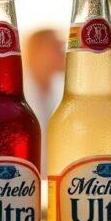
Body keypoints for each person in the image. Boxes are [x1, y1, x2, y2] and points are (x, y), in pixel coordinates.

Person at [22, 29, 65, 172]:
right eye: (56, 47)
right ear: (37, 51)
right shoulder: (17, 88)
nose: (64, 52)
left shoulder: (66, 88)